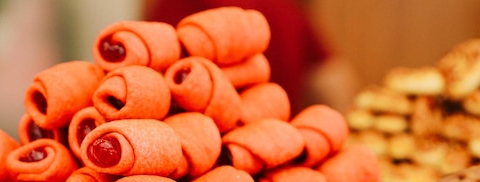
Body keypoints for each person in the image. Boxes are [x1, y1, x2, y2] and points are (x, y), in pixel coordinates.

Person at [144, 0, 360, 115]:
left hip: (213, 156)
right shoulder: (287, 8)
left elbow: (153, 72)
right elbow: (334, 81)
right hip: (280, 149)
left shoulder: (185, 4)